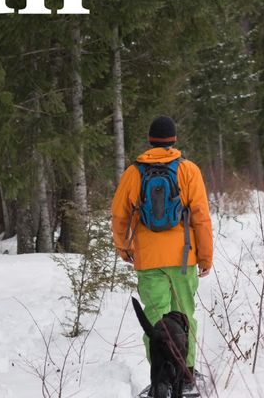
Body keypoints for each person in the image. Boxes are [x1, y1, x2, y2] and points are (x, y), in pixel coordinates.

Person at [112, 115, 212, 395]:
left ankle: (162, 381)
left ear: (150, 140)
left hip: (147, 257)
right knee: (185, 315)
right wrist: (205, 257)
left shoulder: (134, 172)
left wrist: (124, 247)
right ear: (174, 140)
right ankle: (187, 376)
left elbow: (119, 215)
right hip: (183, 257)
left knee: (155, 319)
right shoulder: (189, 170)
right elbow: (201, 217)